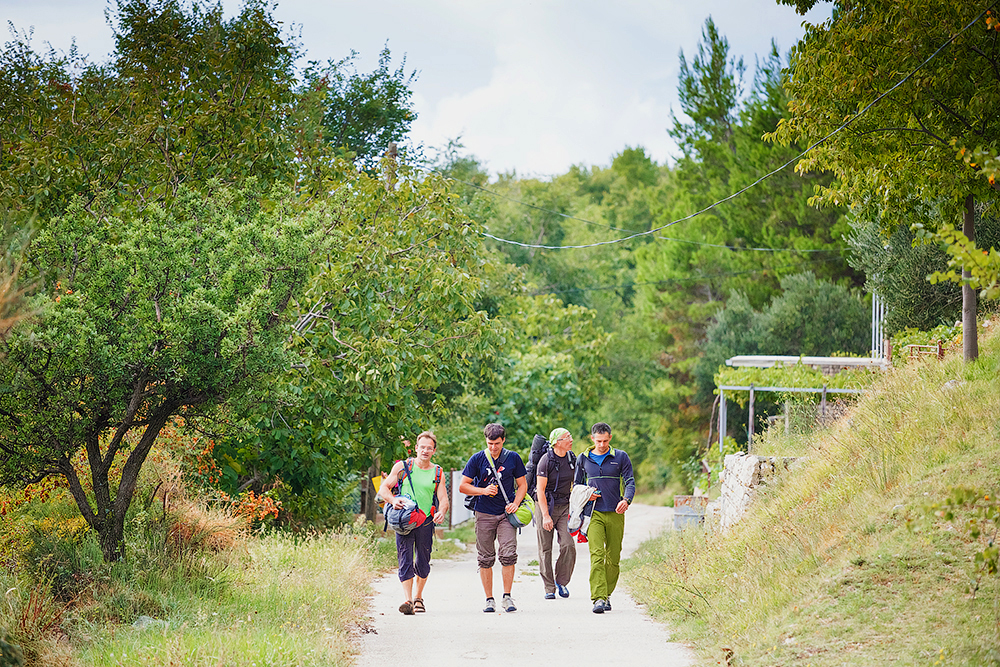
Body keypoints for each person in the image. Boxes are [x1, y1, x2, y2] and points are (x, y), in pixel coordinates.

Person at [378, 431, 450, 615]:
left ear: (434, 451)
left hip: (425, 521)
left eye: (429, 448)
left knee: (423, 562)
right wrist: (393, 501)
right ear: (416, 448)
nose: (425, 451)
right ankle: (408, 600)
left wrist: (441, 512)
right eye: (422, 447)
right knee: (405, 560)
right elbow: (383, 488)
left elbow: (443, 499)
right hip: (404, 520)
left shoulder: (438, 472)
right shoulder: (403, 467)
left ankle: (419, 597)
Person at [458, 423, 527, 613]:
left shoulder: (513, 458)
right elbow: (463, 486)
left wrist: (516, 503)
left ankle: (507, 596)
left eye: (496, 443)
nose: (493, 447)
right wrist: (483, 490)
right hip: (484, 513)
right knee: (485, 557)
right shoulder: (478, 459)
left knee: (508, 554)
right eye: (490, 443)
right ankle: (489, 599)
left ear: (503, 440)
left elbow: (522, 485)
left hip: (506, 514)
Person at [574, 422, 635, 613]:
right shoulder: (583, 459)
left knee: (613, 557)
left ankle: (607, 594)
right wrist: (586, 494)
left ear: (610, 438)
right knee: (597, 555)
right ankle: (598, 598)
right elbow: (576, 485)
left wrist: (626, 500)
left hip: (616, 513)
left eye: (605, 441)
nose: (602, 444)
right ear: (592, 439)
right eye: (598, 441)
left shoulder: (621, 457)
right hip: (593, 514)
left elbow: (630, 481)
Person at [535, 427, 577, 600]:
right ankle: (549, 587)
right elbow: (540, 490)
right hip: (545, 505)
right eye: (568, 437)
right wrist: (545, 515)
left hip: (565, 505)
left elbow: (577, 482)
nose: (571, 439)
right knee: (545, 548)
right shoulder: (546, 461)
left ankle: (561, 581)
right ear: (557, 442)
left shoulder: (571, 458)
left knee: (568, 544)